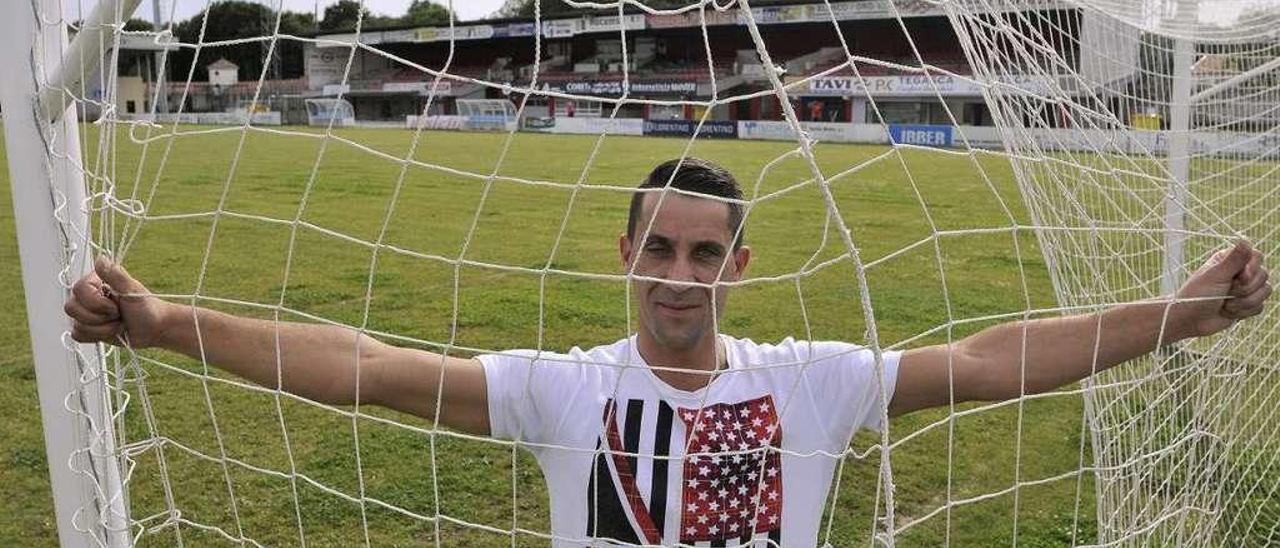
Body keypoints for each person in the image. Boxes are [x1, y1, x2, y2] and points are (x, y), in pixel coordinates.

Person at [65, 158, 1271, 547]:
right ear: (623, 251)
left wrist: (1179, 312)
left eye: (705, 254)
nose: (679, 277)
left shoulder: (807, 376)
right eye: (661, 248)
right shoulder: (563, 386)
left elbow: (992, 355)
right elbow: (368, 364)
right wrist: (169, 325)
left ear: (737, 267)